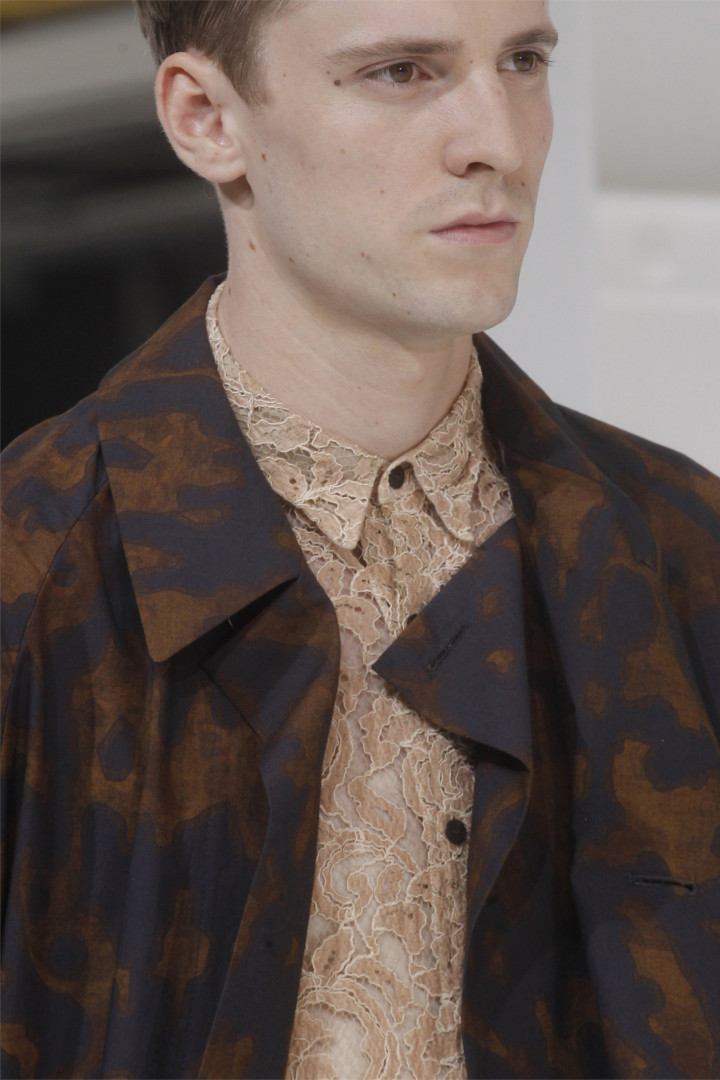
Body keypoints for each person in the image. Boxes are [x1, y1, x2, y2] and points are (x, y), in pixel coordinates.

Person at [2, 1, 719, 1077]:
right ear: (206, 118)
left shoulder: (682, 554)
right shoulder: (31, 570)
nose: (500, 140)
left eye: (523, 60)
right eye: (400, 72)